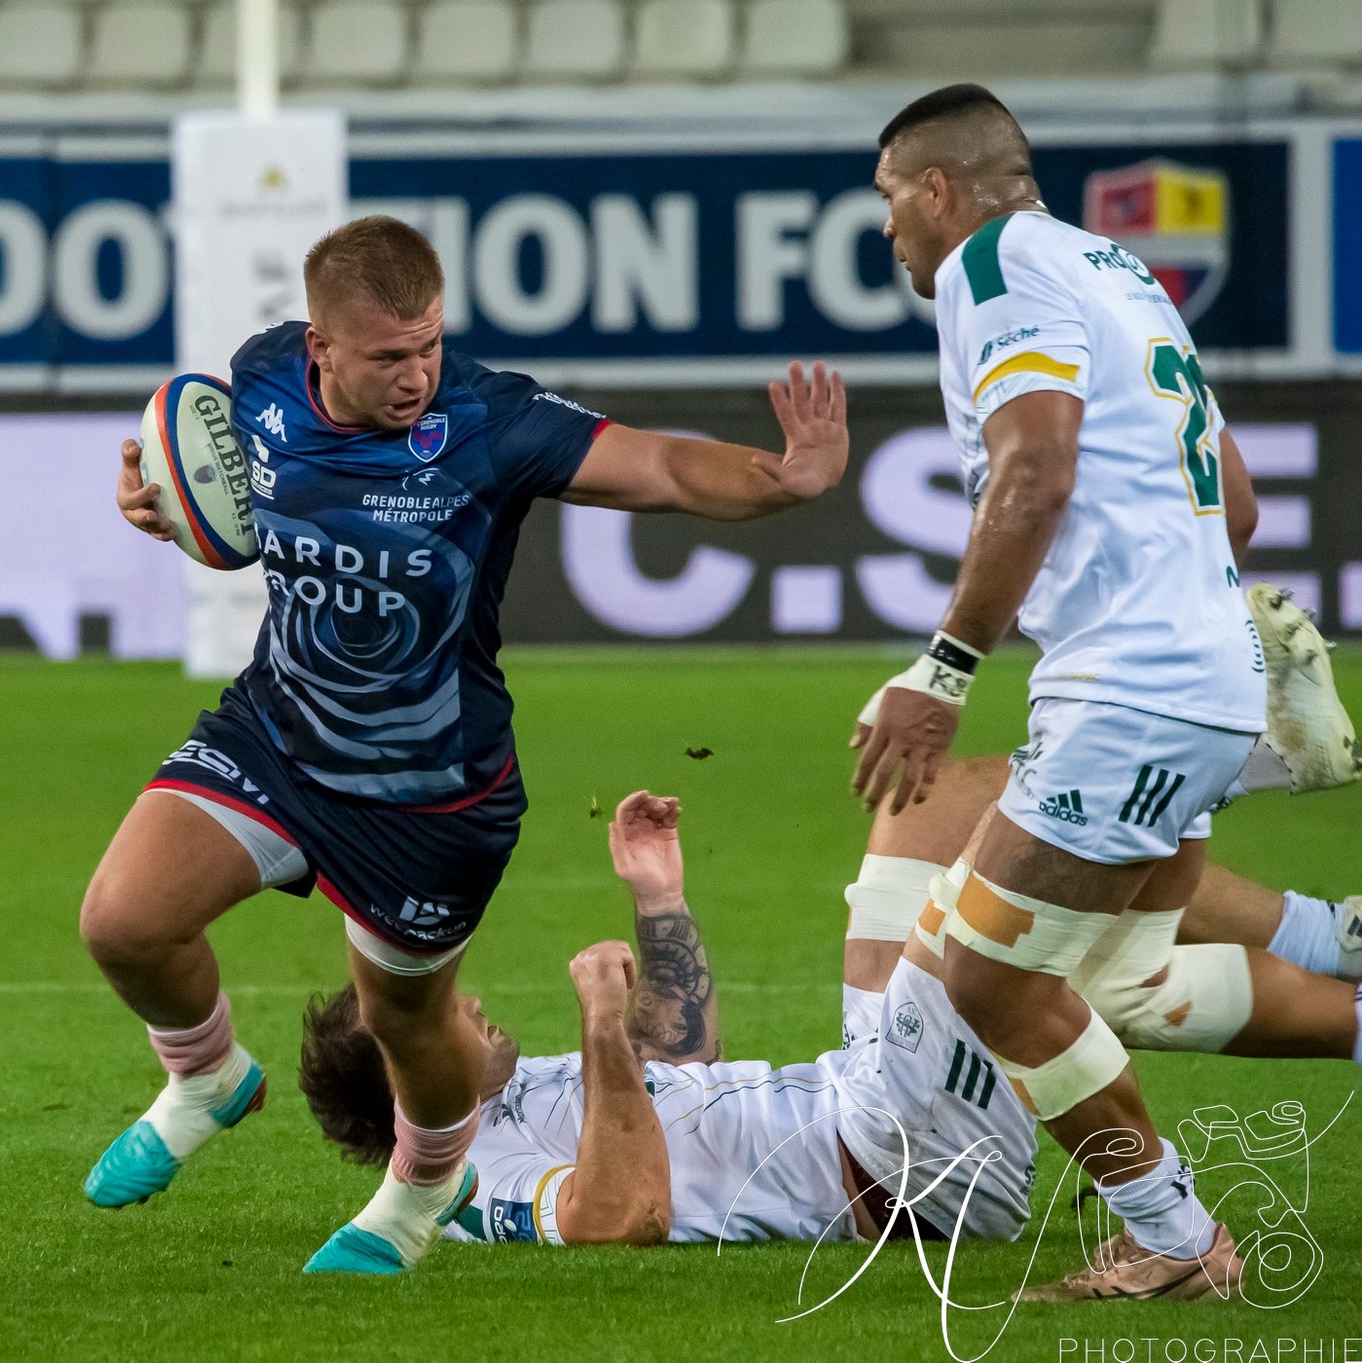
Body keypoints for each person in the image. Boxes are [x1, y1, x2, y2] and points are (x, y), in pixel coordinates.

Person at [80, 215, 851, 1274]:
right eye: (389, 356)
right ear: (320, 348)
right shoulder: (257, 380)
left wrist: (781, 478)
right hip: (278, 734)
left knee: (404, 1023)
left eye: (429, 345)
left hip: (428, 793)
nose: (415, 375)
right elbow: (239, 517)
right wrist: (156, 504)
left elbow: (659, 466)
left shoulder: (487, 420)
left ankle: (418, 1188)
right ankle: (207, 1074)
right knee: (121, 921)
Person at [852, 81, 1357, 1299]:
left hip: (1127, 687)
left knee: (989, 978)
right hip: (1196, 672)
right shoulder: (1118, 272)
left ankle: (1177, 1244)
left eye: (886, 202)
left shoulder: (990, 267)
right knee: (1115, 967)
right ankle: (1334, 943)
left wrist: (942, 667)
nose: (886, 233)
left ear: (937, 189)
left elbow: (1031, 468)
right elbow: (1231, 504)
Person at [298, 772, 1362, 1288]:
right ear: (401, 1076)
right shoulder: (465, 1185)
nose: (460, 1002)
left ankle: (1332, 957)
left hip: (861, 1092)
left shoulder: (501, 1084)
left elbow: (683, 1062)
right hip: (894, 1170)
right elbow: (620, 1211)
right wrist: (598, 1026)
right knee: (988, 902)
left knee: (934, 798)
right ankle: (1194, 756)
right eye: (431, 1016)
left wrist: (657, 900)